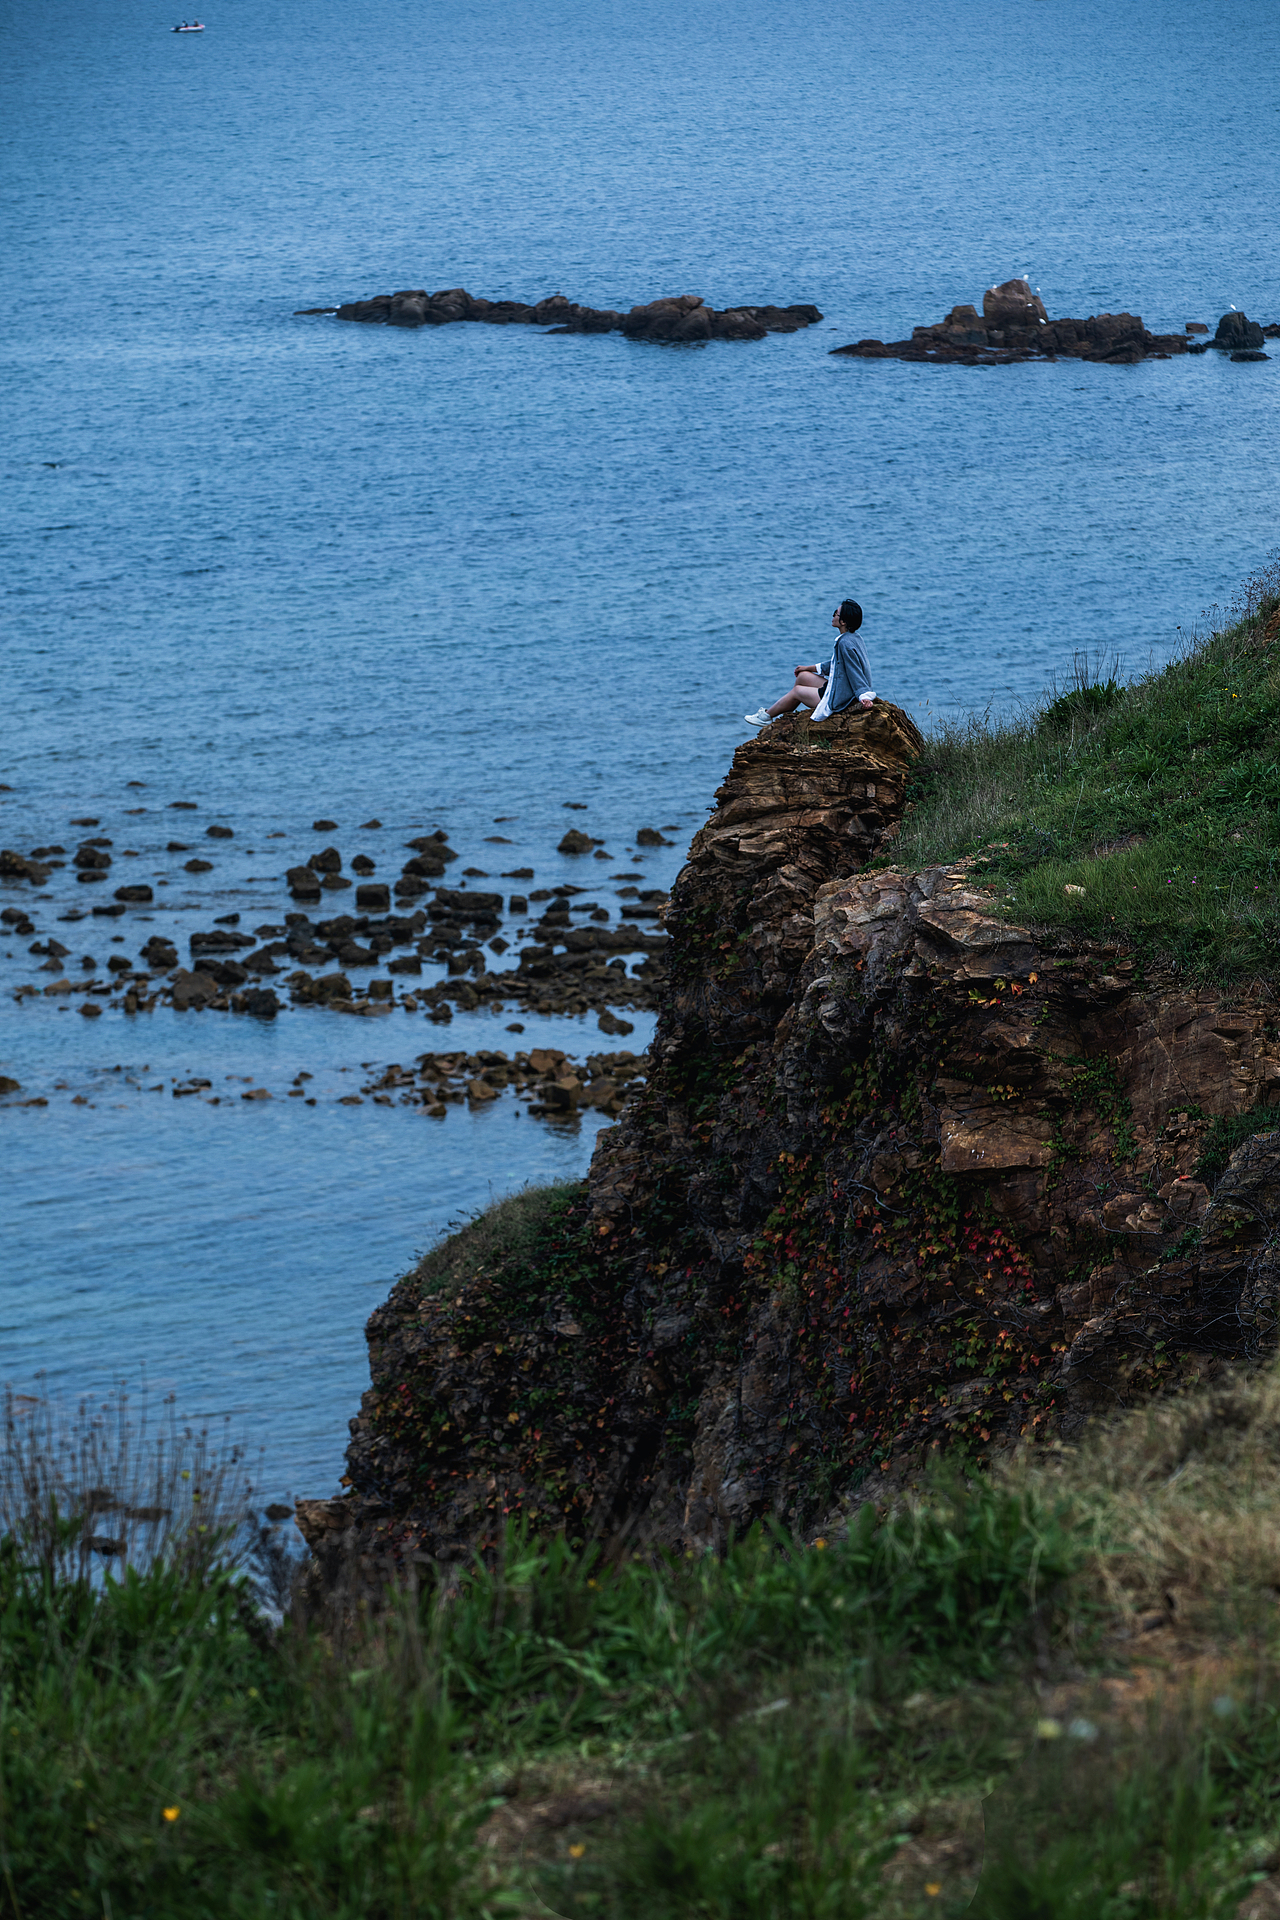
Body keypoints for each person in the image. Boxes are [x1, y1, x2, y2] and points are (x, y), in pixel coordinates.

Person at [745, 599, 876, 725]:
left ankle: (766, 717)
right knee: (803, 676)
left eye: (835, 613)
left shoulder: (844, 643)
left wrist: (864, 696)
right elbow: (837, 665)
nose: (832, 616)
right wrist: (808, 668)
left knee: (797, 691)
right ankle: (783, 711)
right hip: (840, 687)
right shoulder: (854, 637)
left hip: (841, 698)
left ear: (842, 621)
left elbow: (855, 671)